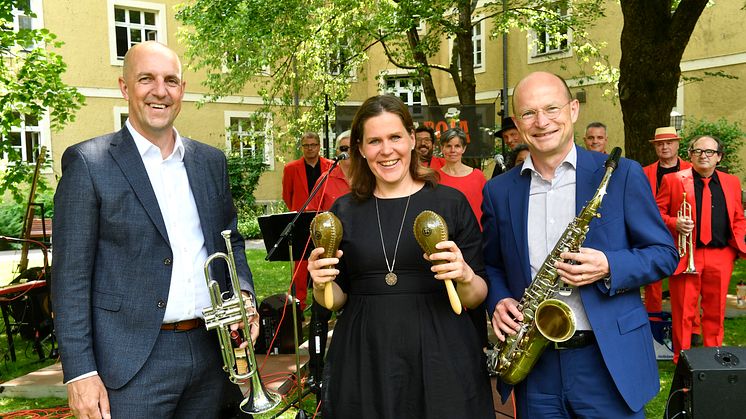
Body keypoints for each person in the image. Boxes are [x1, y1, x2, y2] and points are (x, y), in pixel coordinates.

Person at [51, 41, 257, 419]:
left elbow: (231, 243)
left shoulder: (210, 162)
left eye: (171, 81)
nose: (160, 91)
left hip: (209, 355)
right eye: (146, 79)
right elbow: (70, 279)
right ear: (125, 87)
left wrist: (243, 293)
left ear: (182, 89)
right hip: (129, 363)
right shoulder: (89, 163)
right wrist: (80, 373)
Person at [483, 71, 678, 418]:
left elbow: (664, 255)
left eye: (552, 108)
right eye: (529, 113)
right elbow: (493, 264)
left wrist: (609, 266)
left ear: (573, 110)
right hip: (535, 363)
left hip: (607, 361)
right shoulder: (499, 190)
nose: (542, 122)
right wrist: (499, 301)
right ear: (517, 122)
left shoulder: (621, 174)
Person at [308, 95, 493, 418]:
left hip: (442, 352)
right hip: (365, 353)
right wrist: (320, 282)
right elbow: (335, 300)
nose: (386, 149)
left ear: (411, 139)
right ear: (361, 149)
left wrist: (463, 274)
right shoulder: (344, 211)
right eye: (374, 141)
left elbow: (476, 298)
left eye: (395, 137)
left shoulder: (451, 203)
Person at [655, 135, 746, 363]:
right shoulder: (673, 180)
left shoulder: (732, 182)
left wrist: (737, 247)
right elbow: (656, 213)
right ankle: (682, 361)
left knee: (716, 311)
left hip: (721, 254)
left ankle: (714, 358)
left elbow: (737, 217)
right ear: (690, 155)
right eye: (698, 151)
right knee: (683, 311)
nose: (703, 156)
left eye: (709, 152)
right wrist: (674, 222)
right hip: (687, 254)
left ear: (719, 157)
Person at [306, 130, 353, 392]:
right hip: (328, 258)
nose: (346, 153)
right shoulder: (326, 178)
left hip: (355, 259)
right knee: (320, 314)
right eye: (341, 148)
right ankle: (316, 370)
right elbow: (312, 218)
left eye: (350, 147)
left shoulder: (367, 177)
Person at [642, 127, 698, 339]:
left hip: (684, 235)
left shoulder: (692, 169)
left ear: (677, 145)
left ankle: (692, 329)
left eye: (669, 143)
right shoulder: (645, 171)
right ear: (655, 147)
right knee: (652, 282)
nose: (664, 147)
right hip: (652, 233)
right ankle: (655, 329)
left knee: (689, 285)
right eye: (659, 144)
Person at [282, 132, 333, 308]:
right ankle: (300, 305)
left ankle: (329, 301)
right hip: (302, 220)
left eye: (313, 144)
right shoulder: (291, 168)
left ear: (319, 146)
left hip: (325, 220)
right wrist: (298, 213)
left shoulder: (331, 166)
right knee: (301, 266)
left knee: (328, 260)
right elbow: (287, 195)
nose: (310, 148)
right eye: (306, 145)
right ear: (302, 147)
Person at [435, 127, 487, 228]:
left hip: (476, 235)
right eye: (448, 146)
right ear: (442, 148)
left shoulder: (477, 176)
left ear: (464, 149)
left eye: (457, 146)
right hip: (445, 235)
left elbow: (487, 208)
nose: (452, 150)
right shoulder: (434, 177)